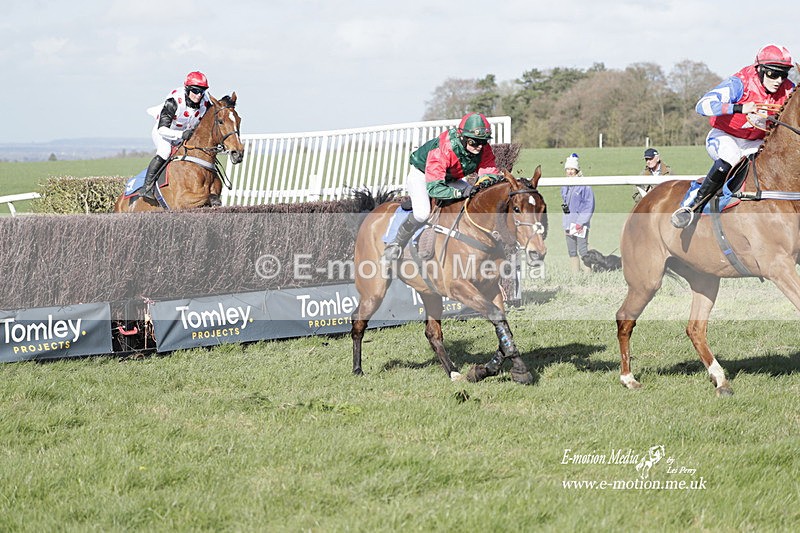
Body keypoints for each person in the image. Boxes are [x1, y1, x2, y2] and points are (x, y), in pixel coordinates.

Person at [671, 44, 795, 228]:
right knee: (731, 157)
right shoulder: (740, 83)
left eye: (783, 74)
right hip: (725, 136)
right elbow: (703, 105)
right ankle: (692, 205)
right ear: (759, 70)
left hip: (756, 141)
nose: (778, 80)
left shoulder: (788, 89)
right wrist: (738, 107)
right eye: (773, 74)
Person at [382, 112, 499, 261]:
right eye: (474, 142)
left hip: (450, 177)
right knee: (422, 213)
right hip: (423, 176)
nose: (479, 146)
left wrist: (483, 184)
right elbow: (435, 188)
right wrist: (462, 192)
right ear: (462, 138)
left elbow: (489, 171)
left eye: (483, 141)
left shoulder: (483, 148)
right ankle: (396, 243)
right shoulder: (444, 148)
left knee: (472, 200)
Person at [141, 71, 212, 201]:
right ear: (188, 89)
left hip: (184, 134)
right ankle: (147, 187)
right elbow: (162, 129)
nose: (198, 95)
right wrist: (181, 134)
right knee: (165, 151)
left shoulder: (205, 102)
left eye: (201, 91)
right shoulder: (173, 101)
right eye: (195, 91)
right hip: (164, 132)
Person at [560, 153, 595, 273]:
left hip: (579, 224)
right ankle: (575, 275)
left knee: (583, 250)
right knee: (572, 251)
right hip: (568, 223)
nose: (569, 171)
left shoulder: (584, 185)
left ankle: (588, 274)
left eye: (572, 169)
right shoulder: (564, 185)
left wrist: (581, 222)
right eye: (568, 169)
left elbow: (588, 206)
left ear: (577, 169)